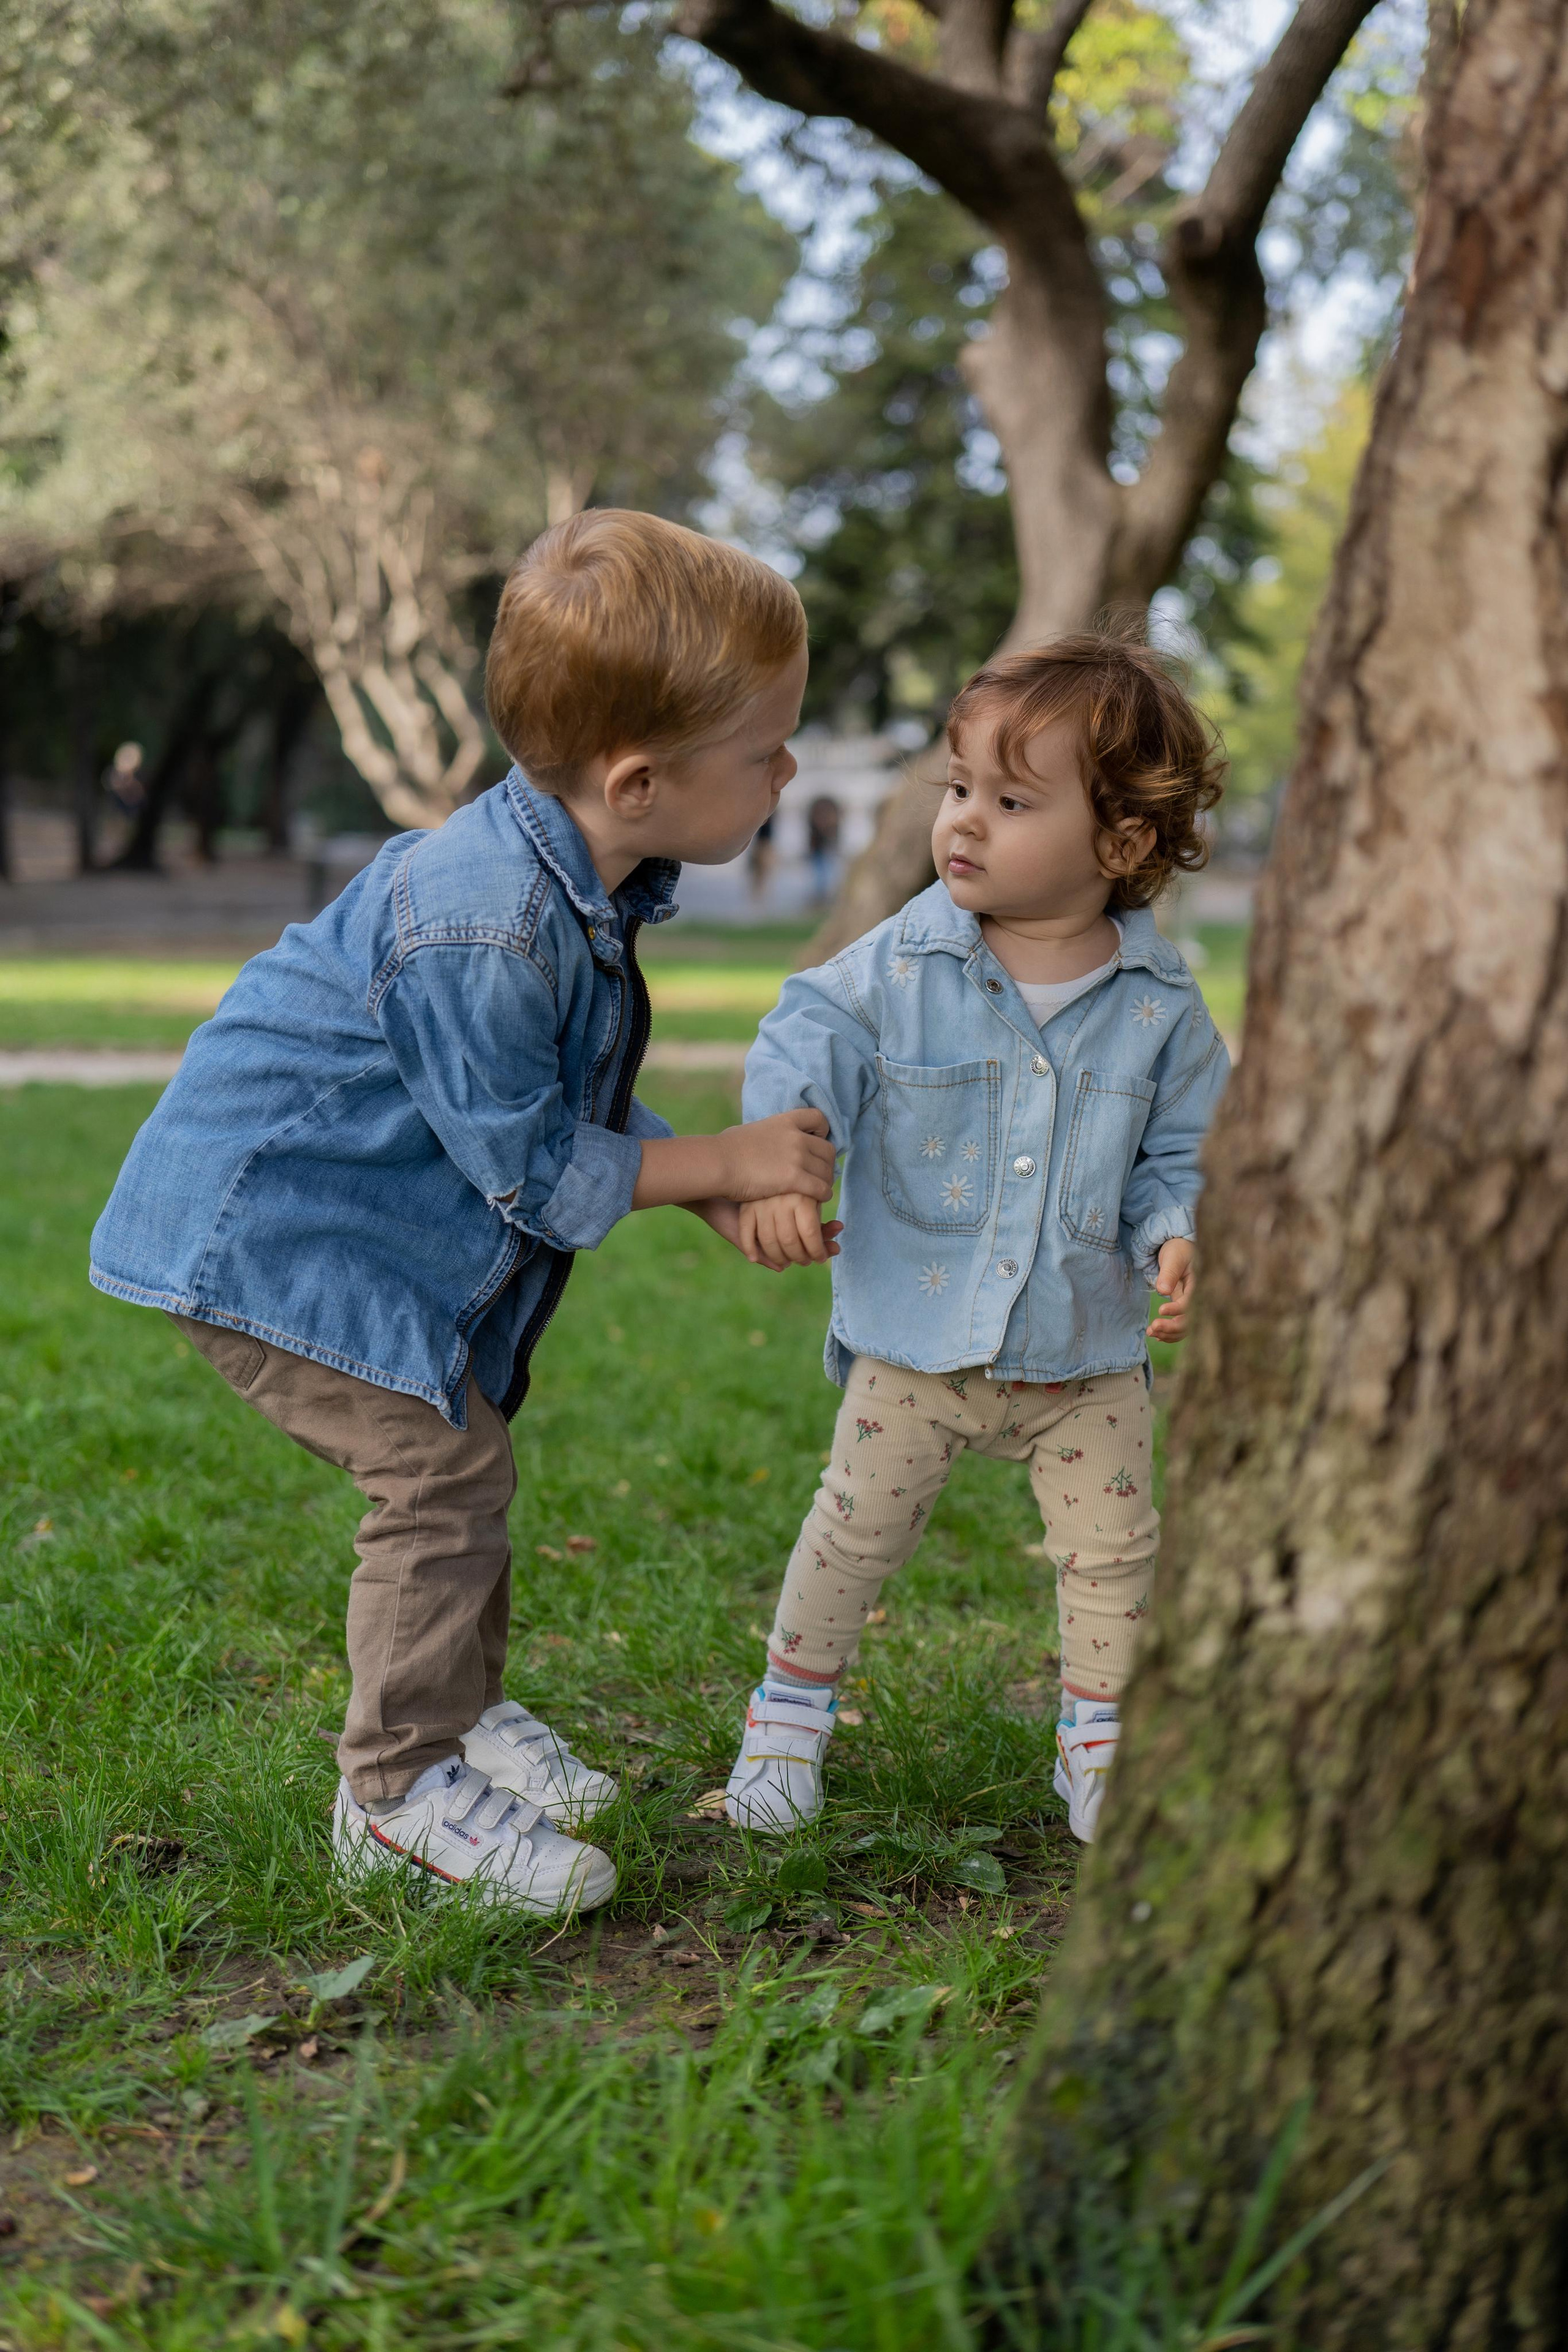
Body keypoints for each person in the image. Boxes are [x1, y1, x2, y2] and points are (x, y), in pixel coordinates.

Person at [89, 511, 833, 1915]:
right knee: (437, 1475)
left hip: (336, 1228)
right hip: (266, 1241)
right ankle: (393, 1791)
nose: (786, 770)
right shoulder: (485, 918)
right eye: (766, 751)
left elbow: (555, 1110)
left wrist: (705, 1190)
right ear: (636, 778)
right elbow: (533, 1168)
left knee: (462, 1459)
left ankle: (461, 1716)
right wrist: (724, 1159)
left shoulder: (569, 875)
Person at [725, 635, 1229, 1844]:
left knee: (1112, 1556)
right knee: (852, 1529)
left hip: (1084, 1348)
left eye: (1010, 801)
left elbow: (1183, 1156)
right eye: (957, 788)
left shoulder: (1161, 1012)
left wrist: (1179, 1232)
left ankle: (1098, 1746)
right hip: (917, 1338)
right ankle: (785, 1723)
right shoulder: (902, 963)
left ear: (1119, 845)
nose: (961, 821)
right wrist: (787, 1155)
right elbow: (809, 1036)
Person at [806, 794, 842, 905]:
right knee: (821, 875)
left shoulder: (826, 825)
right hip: (819, 851)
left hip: (824, 851)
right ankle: (821, 895)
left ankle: (823, 895)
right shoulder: (817, 826)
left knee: (825, 874)